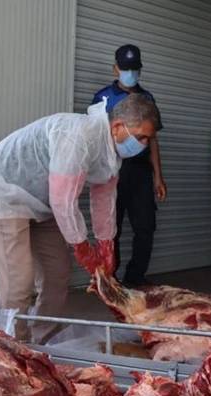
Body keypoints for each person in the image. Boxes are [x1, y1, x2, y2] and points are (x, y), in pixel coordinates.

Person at [0, 94, 161, 340]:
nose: (144, 145)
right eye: (141, 137)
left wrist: (106, 244)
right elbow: (63, 200)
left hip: (43, 202)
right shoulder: (78, 136)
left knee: (57, 272)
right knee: (19, 281)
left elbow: (104, 199)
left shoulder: (112, 153)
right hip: (4, 192)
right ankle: (14, 344)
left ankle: (43, 336)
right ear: (117, 126)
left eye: (148, 139)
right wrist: (82, 247)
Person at [91, 44, 166, 287]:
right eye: (125, 69)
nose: (130, 73)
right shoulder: (102, 97)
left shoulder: (147, 98)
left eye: (135, 69)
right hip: (111, 170)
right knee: (111, 227)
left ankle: (135, 277)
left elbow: (152, 139)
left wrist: (158, 176)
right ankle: (111, 279)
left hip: (140, 171)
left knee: (145, 226)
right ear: (115, 68)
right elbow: (94, 136)